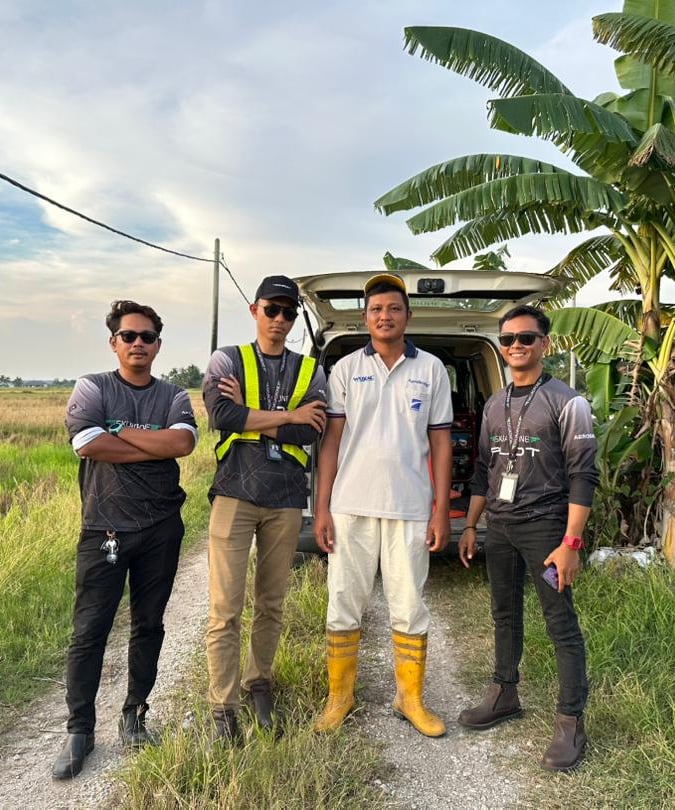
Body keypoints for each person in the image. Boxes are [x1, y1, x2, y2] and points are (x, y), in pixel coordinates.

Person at [53, 300, 198, 780]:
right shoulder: (92, 387)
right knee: (89, 631)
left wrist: (118, 431)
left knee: (148, 625)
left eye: (147, 337)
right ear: (113, 342)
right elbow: (87, 443)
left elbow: (182, 443)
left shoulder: (173, 394)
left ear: (158, 344)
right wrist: (151, 443)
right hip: (105, 528)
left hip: (161, 528)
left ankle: (134, 715)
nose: (138, 343)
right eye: (129, 336)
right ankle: (80, 730)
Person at [458, 304, 598, 772]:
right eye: (507, 339)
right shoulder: (494, 404)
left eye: (526, 338)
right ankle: (504, 693)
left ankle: (570, 721)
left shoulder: (567, 402)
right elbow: (484, 469)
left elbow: (583, 477)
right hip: (499, 525)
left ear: (545, 344)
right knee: (504, 613)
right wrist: (472, 525)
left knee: (560, 622)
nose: (515, 345)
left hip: (546, 529)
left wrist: (571, 544)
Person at [313, 272, 453, 737]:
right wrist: (322, 507)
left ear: (408, 316)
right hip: (350, 505)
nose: (385, 316)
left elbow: (441, 443)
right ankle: (340, 697)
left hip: (410, 506)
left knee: (409, 605)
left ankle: (409, 698)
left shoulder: (431, 369)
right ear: (365, 317)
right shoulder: (345, 369)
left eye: (394, 308)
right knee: (343, 601)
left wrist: (440, 509)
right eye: (376, 309)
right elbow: (332, 442)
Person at [203, 275, 326, 742]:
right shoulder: (227, 359)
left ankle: (259, 684)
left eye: (288, 312)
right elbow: (223, 416)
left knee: (271, 603)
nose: (279, 319)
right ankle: (223, 707)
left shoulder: (310, 370)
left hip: (286, 497)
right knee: (225, 608)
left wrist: (255, 418)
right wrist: (289, 415)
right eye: (271, 309)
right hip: (234, 492)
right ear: (254, 310)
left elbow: (310, 431)